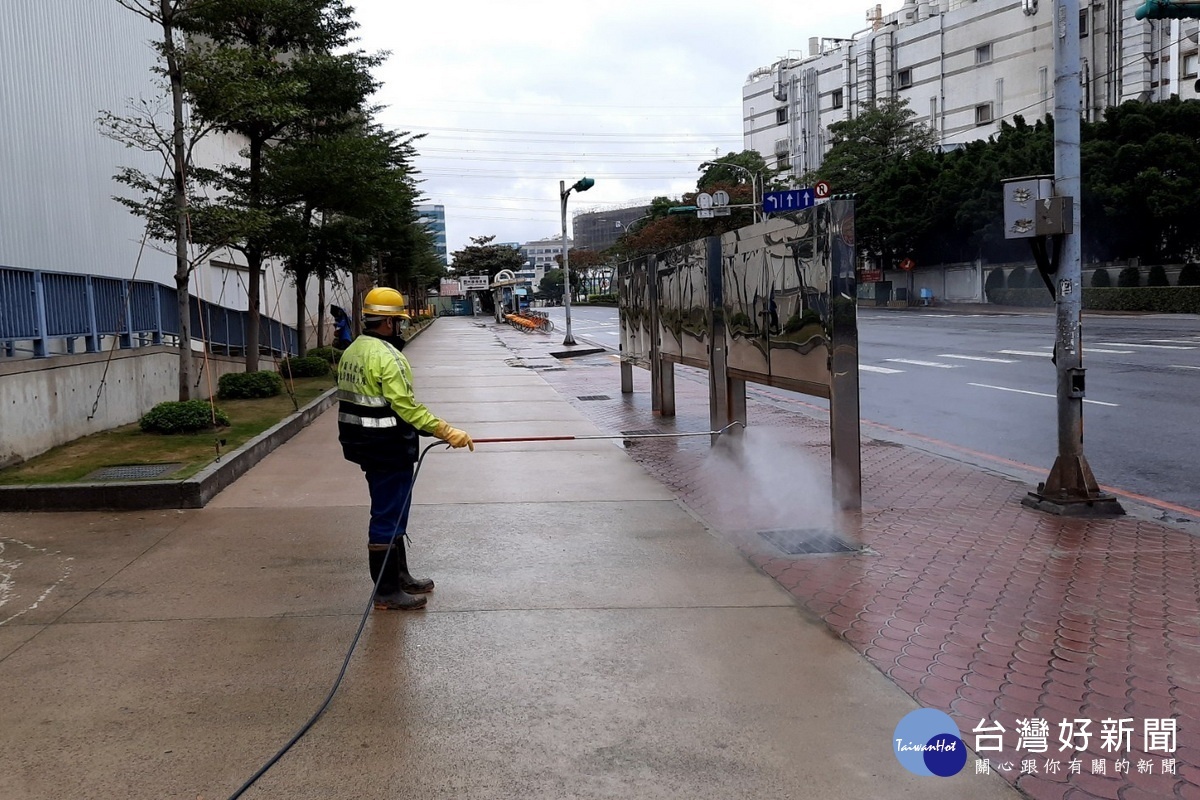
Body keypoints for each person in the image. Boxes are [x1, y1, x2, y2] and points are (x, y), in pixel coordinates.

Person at [336, 287, 475, 610]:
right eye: (397, 321)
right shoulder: (387, 357)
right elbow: (407, 408)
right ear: (387, 323)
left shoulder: (353, 351)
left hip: (363, 444)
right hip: (387, 447)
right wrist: (444, 430)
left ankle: (400, 577)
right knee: (387, 514)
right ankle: (386, 592)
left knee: (394, 510)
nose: (398, 327)